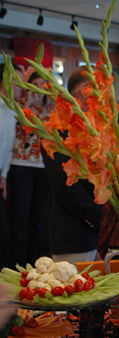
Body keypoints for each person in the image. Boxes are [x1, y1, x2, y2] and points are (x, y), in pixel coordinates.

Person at [40, 66, 103, 266]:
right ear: (84, 89)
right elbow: (65, 186)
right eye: (98, 88)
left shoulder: (95, 126)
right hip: (73, 233)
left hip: (98, 232)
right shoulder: (57, 129)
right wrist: (101, 218)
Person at [9, 71, 52, 268]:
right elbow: (14, 127)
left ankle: (36, 265)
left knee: (39, 220)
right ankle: (17, 265)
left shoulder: (52, 110)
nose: (39, 89)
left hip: (44, 168)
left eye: (43, 85)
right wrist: (26, 102)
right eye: (35, 84)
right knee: (20, 219)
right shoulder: (19, 106)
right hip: (20, 166)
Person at [0, 62, 23, 270]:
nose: (21, 86)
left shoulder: (11, 109)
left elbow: (6, 146)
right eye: (16, 81)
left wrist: (4, 174)